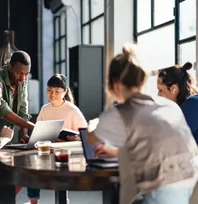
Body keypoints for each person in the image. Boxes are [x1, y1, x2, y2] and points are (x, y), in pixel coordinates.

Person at [86, 44, 198, 204]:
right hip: (191, 191)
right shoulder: (169, 106)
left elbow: (90, 139)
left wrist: (94, 123)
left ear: (115, 85)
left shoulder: (121, 111)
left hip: (162, 194)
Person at [27, 74, 87, 204]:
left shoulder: (72, 110)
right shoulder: (44, 109)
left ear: (65, 92)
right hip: (47, 152)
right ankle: (33, 201)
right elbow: (38, 134)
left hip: (66, 155)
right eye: (49, 90)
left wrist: (74, 139)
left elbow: (86, 135)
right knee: (30, 167)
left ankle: (62, 200)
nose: (52, 94)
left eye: (57, 91)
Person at [0, 50, 35, 144]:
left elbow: (23, 109)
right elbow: (4, 111)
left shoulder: (23, 79)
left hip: (6, 137)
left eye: (27, 73)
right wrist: (34, 127)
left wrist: (24, 134)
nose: (23, 78)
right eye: (20, 73)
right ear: (10, 67)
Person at [157, 62, 198, 144]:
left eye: (161, 90)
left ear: (173, 89)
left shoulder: (192, 105)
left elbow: (172, 141)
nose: (158, 95)